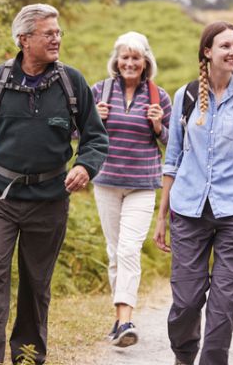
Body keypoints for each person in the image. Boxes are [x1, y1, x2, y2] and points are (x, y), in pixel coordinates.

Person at [0, 3, 108, 365]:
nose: (57, 39)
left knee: (36, 284)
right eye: (48, 33)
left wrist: (85, 165)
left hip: (50, 200)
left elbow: (96, 138)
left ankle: (28, 356)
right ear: (24, 39)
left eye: (59, 32)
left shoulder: (71, 82)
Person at [153, 21, 233, 365]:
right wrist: (162, 216)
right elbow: (172, 159)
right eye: (226, 46)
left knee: (224, 304)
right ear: (208, 52)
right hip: (188, 212)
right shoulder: (186, 96)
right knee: (186, 302)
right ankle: (184, 355)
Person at [91, 31, 172, 347]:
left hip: (142, 184)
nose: (130, 63)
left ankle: (125, 322)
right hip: (106, 182)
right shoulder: (100, 91)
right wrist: (93, 120)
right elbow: (75, 132)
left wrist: (158, 125)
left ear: (145, 62)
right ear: (116, 60)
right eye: (125, 57)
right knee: (114, 253)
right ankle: (119, 321)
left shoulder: (158, 95)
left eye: (136, 58)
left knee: (127, 250)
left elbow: (173, 143)